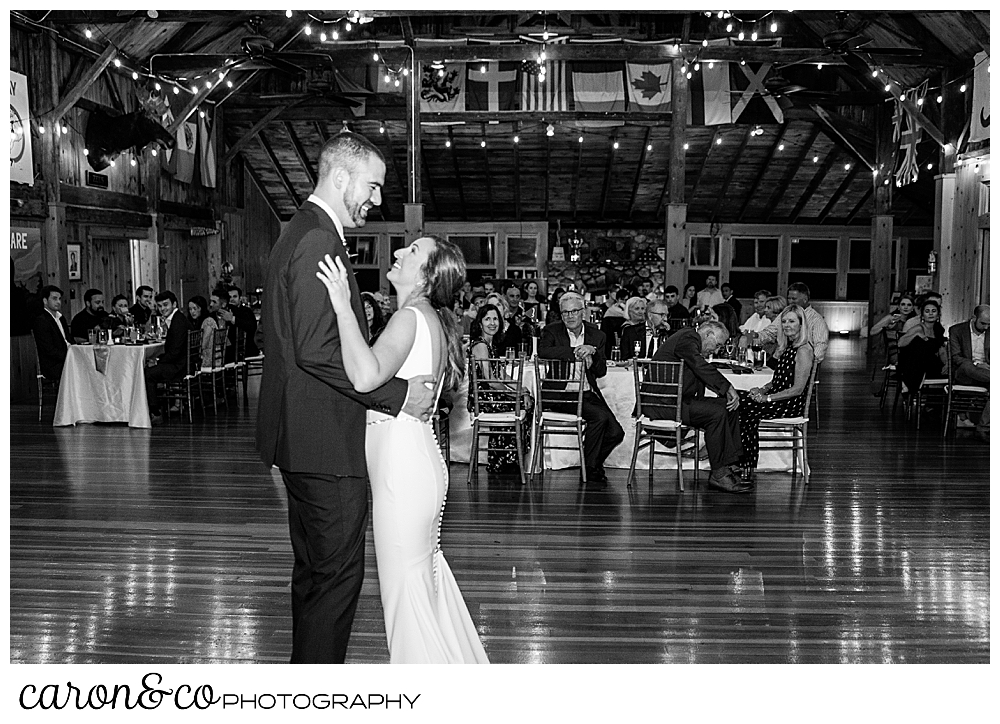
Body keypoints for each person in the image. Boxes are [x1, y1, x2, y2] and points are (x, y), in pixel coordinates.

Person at [255, 131, 437, 664]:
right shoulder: (318, 240)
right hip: (324, 442)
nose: (377, 200)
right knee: (332, 586)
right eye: (373, 187)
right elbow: (316, 349)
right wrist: (397, 394)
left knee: (316, 580)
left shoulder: (304, 232)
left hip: (306, 437)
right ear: (341, 177)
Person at [315, 234, 489, 664]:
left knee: (404, 601)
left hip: (403, 473)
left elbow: (365, 376)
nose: (397, 253)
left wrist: (340, 305)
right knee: (421, 587)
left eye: (411, 252)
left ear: (427, 276)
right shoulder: (429, 317)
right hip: (417, 464)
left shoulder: (410, 316)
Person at [538, 291, 625, 488]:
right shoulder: (552, 331)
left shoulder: (597, 335)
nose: (569, 316)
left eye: (574, 311)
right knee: (599, 418)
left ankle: (590, 464)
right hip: (560, 394)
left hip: (586, 393)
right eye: (565, 312)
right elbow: (544, 351)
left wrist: (592, 354)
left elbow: (601, 371)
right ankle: (591, 470)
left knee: (616, 432)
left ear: (583, 312)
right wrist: (577, 351)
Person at [650, 320, 748, 493]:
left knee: (729, 407)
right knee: (716, 413)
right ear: (708, 334)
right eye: (717, 345)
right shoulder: (689, 336)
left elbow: (698, 368)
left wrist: (724, 392)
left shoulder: (689, 340)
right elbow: (698, 365)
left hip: (676, 400)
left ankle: (729, 465)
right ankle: (718, 474)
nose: (716, 351)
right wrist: (727, 387)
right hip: (663, 403)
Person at [737, 305, 815, 477]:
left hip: (789, 403)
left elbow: (797, 389)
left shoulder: (804, 350)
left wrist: (767, 398)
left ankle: (746, 465)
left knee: (746, 410)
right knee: (737, 396)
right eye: (784, 321)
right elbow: (779, 379)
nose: (787, 325)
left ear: (802, 325)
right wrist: (762, 388)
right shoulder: (788, 346)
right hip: (778, 398)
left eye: (792, 321)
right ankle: (737, 459)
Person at [468, 303, 531, 472]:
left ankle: (505, 458)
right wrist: (515, 395)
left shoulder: (492, 345)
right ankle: (507, 460)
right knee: (525, 404)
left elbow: (503, 375)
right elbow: (490, 381)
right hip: (484, 397)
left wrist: (521, 388)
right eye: (487, 319)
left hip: (492, 395)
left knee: (527, 399)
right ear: (480, 323)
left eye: (495, 319)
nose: (492, 323)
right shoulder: (480, 345)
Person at [143, 291, 192, 423]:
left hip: (180, 366)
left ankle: (155, 412)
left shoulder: (178, 323)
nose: (162, 308)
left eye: (166, 305)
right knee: (150, 368)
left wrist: (157, 361)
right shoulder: (178, 318)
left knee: (148, 374)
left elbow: (174, 352)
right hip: (185, 362)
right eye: (159, 306)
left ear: (174, 304)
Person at [751, 282, 829, 362]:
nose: (790, 301)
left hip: (800, 362)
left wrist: (806, 363)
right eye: (789, 298)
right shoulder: (785, 314)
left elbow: (820, 347)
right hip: (780, 357)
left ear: (805, 299)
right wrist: (754, 337)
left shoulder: (816, 320)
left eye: (794, 299)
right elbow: (770, 332)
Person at [948, 305, 990, 439]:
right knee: (966, 364)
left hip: (988, 373)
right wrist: (977, 364)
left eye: (989, 324)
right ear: (974, 318)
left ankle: (984, 427)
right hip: (965, 372)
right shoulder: (956, 330)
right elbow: (956, 357)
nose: (986, 327)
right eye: (983, 323)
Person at [897, 298, 947, 396]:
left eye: (933, 311)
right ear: (922, 315)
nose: (930, 314)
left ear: (938, 315)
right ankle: (911, 388)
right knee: (921, 350)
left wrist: (947, 364)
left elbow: (941, 350)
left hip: (929, 363)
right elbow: (900, 343)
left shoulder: (938, 329)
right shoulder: (918, 328)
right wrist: (916, 336)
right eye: (927, 311)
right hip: (913, 362)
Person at [32, 285, 72, 381]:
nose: (58, 302)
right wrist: (69, 356)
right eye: (54, 299)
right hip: (53, 364)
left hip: (67, 358)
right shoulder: (42, 321)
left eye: (59, 299)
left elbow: (69, 339)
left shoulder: (61, 318)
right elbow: (49, 350)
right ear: (45, 301)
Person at [186, 295, 219, 367]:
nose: (192, 312)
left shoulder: (208, 321)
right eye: (190, 309)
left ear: (201, 308)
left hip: (209, 358)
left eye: (195, 308)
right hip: (202, 356)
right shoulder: (195, 322)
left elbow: (203, 344)